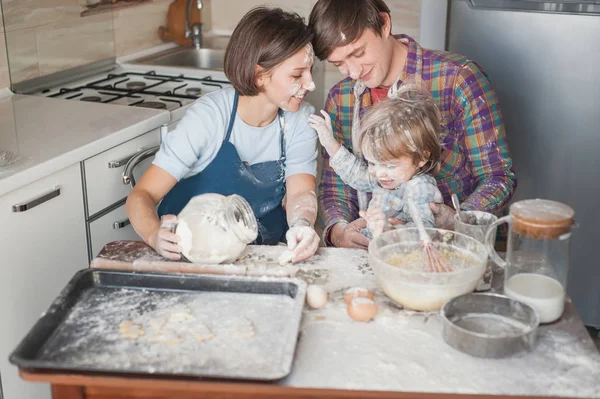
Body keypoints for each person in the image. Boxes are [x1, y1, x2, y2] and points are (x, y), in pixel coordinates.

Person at [308, 0, 517, 249]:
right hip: (377, 255)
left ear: (384, 24)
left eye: (358, 53)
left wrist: (460, 220)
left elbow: (498, 177)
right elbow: (335, 188)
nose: (352, 72)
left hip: (461, 253)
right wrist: (338, 231)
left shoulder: (458, 79)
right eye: (338, 63)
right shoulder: (340, 98)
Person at [126, 7, 320, 263]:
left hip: (260, 258)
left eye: (310, 71)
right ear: (260, 75)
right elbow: (142, 196)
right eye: (297, 75)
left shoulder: (301, 120)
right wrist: (154, 236)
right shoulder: (209, 118)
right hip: (189, 258)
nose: (310, 84)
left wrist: (303, 224)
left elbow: (300, 195)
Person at [309, 86, 443, 238]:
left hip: (399, 256)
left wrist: (388, 230)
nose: (379, 173)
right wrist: (330, 144)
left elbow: (425, 232)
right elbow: (357, 175)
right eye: (372, 163)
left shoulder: (420, 188)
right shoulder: (386, 177)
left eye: (390, 165)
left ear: (421, 158)